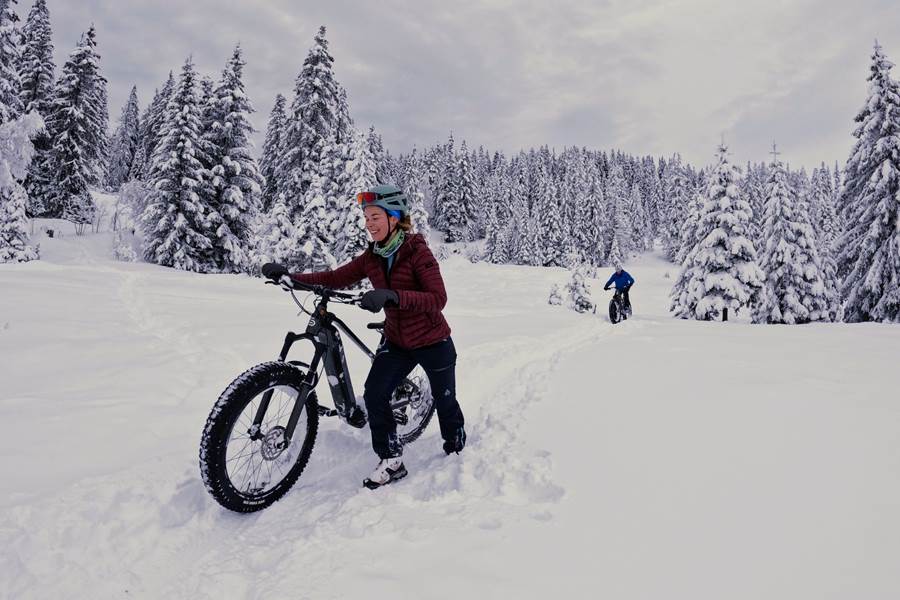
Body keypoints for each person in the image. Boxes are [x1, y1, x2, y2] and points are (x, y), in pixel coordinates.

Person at [261, 184, 466, 490]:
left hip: (432, 340)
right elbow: (335, 278)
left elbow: (438, 298)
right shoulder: (372, 257)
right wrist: (292, 278)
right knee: (375, 393)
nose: (369, 224)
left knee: (444, 399)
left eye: (375, 217)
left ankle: (456, 444)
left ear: (394, 218)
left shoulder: (416, 252)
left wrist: (393, 296)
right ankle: (391, 459)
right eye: (366, 218)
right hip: (398, 341)